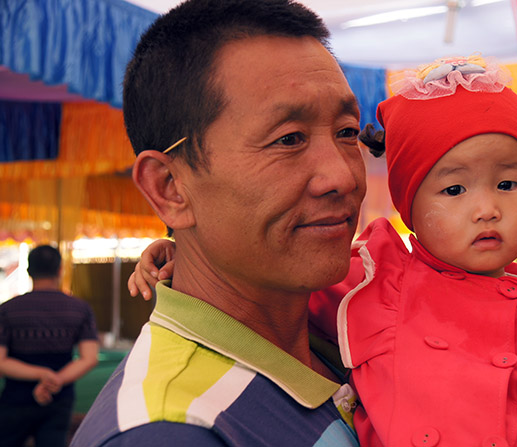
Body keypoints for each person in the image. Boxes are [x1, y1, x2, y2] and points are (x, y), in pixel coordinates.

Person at [132, 55, 517, 446]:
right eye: (453, 191)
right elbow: (261, 278)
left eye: (509, 184)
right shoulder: (371, 281)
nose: (486, 209)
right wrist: (179, 252)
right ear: (409, 204)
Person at [71, 0, 365, 445]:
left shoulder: (344, 330)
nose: (342, 176)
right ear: (169, 186)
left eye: (347, 131)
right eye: (288, 139)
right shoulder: (171, 430)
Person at [0, 244, 99, 447]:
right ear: (60, 270)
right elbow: (89, 358)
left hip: (15, 398)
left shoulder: (8, 310)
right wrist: (54, 378)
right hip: (59, 396)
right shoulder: (79, 309)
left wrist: (40, 374)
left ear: (28, 271)